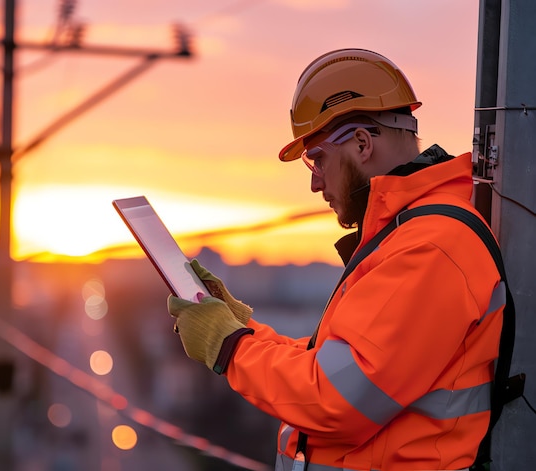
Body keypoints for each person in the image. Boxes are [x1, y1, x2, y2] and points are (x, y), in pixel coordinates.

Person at [167, 48, 504, 471]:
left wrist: (230, 347)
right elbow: (333, 368)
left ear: (362, 143)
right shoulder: (408, 238)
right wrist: (241, 327)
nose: (313, 182)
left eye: (318, 158)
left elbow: (333, 399)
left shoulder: (430, 248)